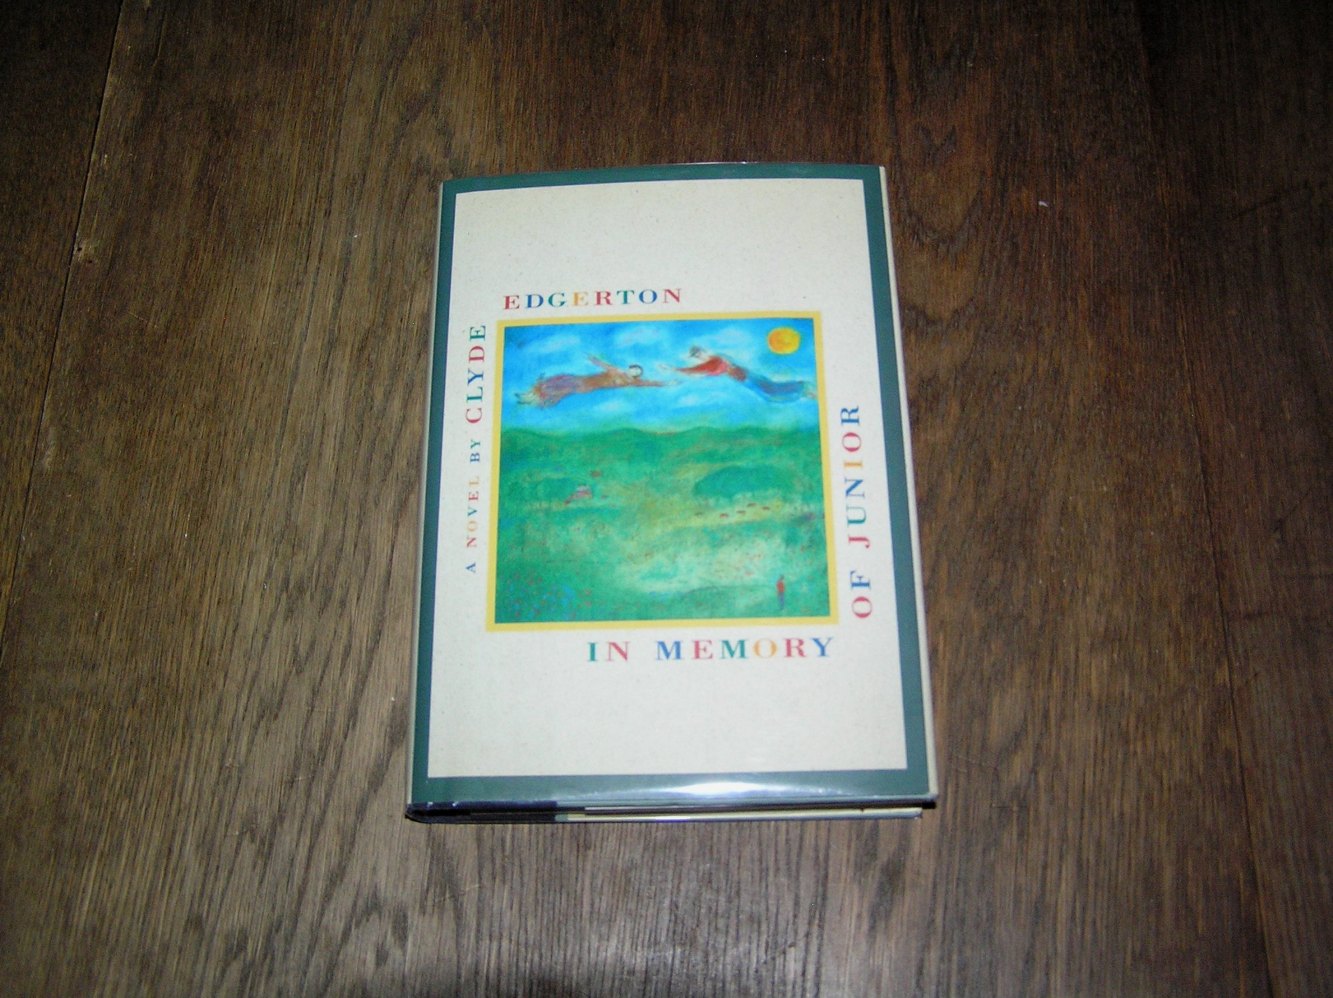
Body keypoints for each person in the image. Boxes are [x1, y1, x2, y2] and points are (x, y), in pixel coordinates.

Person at [672, 346, 814, 402]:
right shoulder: (713, 361)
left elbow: (699, 370)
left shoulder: (715, 360)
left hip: (747, 377)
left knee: (771, 392)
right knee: (770, 394)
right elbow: (699, 371)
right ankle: (802, 391)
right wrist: (678, 371)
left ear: (702, 352)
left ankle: (802, 387)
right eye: (696, 356)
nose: (698, 357)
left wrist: (676, 370)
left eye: (698, 355)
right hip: (746, 379)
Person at [516, 356, 667, 408]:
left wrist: (664, 383)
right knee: (562, 379)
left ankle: (532, 398)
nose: (632, 372)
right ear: (629, 368)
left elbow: (648, 383)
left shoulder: (629, 382)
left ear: (636, 376)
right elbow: (603, 364)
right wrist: (593, 359)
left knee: (561, 388)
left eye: (636, 373)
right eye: (633, 369)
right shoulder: (617, 371)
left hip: (587, 385)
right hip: (583, 379)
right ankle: (530, 395)